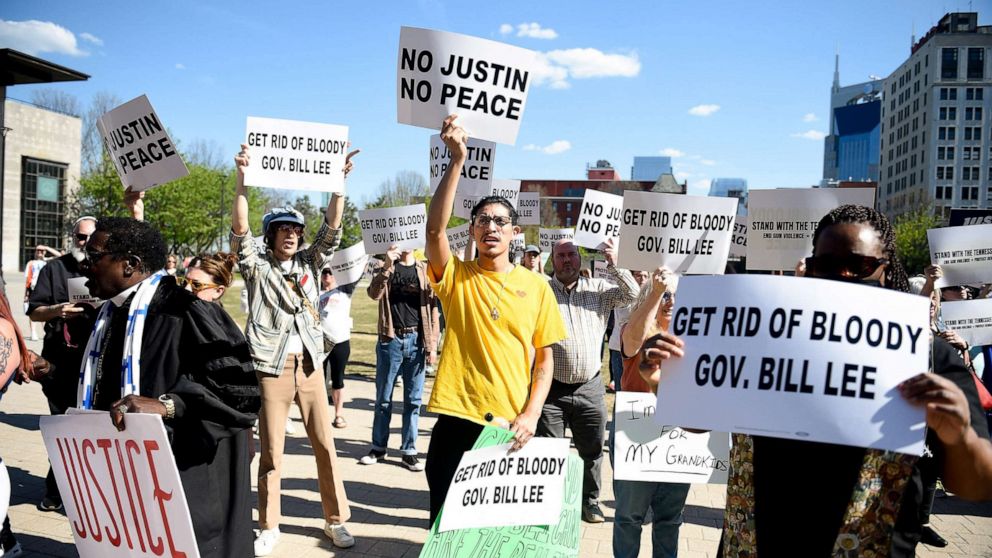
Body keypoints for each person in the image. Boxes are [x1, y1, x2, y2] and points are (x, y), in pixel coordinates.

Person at [638, 204, 992, 557]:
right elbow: (702, 424)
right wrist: (664, 382)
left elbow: (977, 486)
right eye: (827, 265)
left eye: (861, 265)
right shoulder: (762, 339)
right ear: (812, 267)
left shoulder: (927, 357)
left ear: (887, 268)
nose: (844, 276)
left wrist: (958, 435)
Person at [77, 217, 260, 558]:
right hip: (131, 473)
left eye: (93, 255)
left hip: (188, 468)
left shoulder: (186, 310)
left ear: (130, 264)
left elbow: (240, 394)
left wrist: (168, 405)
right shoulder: (111, 315)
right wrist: (50, 370)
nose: (84, 264)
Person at [424, 115, 567, 526]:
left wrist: (532, 414)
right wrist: (457, 161)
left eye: (500, 221)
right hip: (456, 422)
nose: (491, 227)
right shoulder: (456, 278)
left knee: (497, 536)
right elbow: (434, 231)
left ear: (514, 232)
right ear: (472, 230)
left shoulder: (538, 286)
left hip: (510, 428)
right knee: (447, 532)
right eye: (482, 220)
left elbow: (545, 361)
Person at [231, 144, 358, 555]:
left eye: (294, 230)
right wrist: (242, 179)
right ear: (271, 235)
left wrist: (339, 184)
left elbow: (332, 230)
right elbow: (239, 231)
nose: (290, 235)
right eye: (282, 230)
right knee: (272, 451)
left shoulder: (309, 262)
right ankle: (268, 525)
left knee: (325, 443)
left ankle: (335, 520)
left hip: (311, 364)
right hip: (271, 365)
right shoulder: (257, 264)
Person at [539, 238, 637, 523]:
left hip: (589, 386)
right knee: (548, 451)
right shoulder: (541, 291)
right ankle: (549, 505)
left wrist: (614, 261)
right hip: (551, 389)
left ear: (580, 258)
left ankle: (589, 502)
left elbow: (632, 295)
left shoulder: (599, 290)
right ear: (552, 260)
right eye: (560, 256)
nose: (567, 260)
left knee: (592, 451)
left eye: (571, 254)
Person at [614, 267, 689, 558]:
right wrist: (657, 291)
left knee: (670, 519)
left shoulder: (694, 339)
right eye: (666, 296)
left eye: (676, 296)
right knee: (629, 518)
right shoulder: (636, 332)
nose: (671, 301)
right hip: (637, 437)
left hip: (679, 441)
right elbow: (632, 342)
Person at [26, 215, 99, 512]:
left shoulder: (103, 268)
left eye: (91, 239)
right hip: (59, 363)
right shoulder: (54, 269)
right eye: (81, 237)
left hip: (96, 363)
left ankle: (84, 490)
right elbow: (34, 312)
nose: (85, 244)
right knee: (62, 425)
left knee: (90, 430)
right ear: (73, 237)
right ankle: (56, 490)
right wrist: (57, 310)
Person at [361, 246, 439, 471]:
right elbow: (373, 293)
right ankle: (378, 448)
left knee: (413, 401)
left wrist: (432, 344)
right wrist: (386, 265)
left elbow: (434, 308)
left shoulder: (424, 269)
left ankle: (409, 451)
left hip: (417, 340)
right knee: (383, 399)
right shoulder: (386, 267)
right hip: (390, 339)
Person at [318, 268, 358, 428]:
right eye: (324, 272)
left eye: (330, 272)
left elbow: (357, 271)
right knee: (317, 380)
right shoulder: (314, 291)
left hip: (340, 342)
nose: (327, 275)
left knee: (338, 379)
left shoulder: (345, 290)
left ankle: (338, 414)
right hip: (319, 342)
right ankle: (319, 415)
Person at [607, 270, 649, 391]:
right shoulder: (622, 294)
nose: (642, 279)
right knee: (622, 390)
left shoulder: (651, 296)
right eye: (638, 275)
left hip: (642, 349)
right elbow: (627, 318)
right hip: (619, 349)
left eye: (646, 276)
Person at [23, 245, 60, 340]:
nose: (39, 252)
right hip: (33, 288)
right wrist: (25, 294)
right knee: (33, 310)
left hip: (46, 289)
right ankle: (33, 332)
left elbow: (59, 255)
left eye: (41, 251)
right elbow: (27, 279)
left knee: (45, 310)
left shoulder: (47, 261)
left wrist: (47, 248)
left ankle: (45, 331)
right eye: (37, 250)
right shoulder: (31, 263)